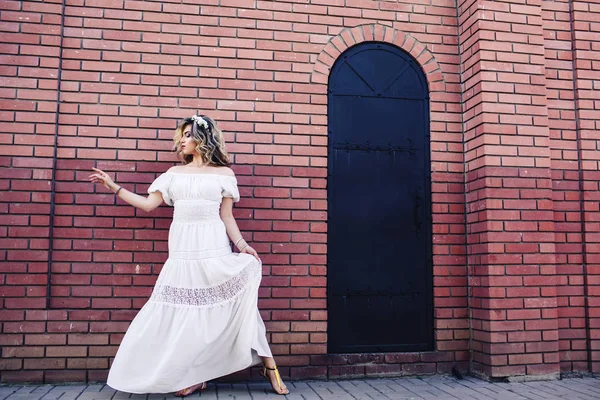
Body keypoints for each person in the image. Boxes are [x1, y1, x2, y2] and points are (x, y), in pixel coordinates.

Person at [88, 115, 289, 397]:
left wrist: (242, 245)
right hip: (183, 253)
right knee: (185, 316)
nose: (180, 140)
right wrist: (114, 187)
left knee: (238, 306)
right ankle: (196, 375)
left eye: (186, 135)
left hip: (214, 249)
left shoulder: (224, 175)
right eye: (180, 136)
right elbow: (148, 205)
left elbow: (226, 216)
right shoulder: (172, 174)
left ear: (202, 139)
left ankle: (269, 364)